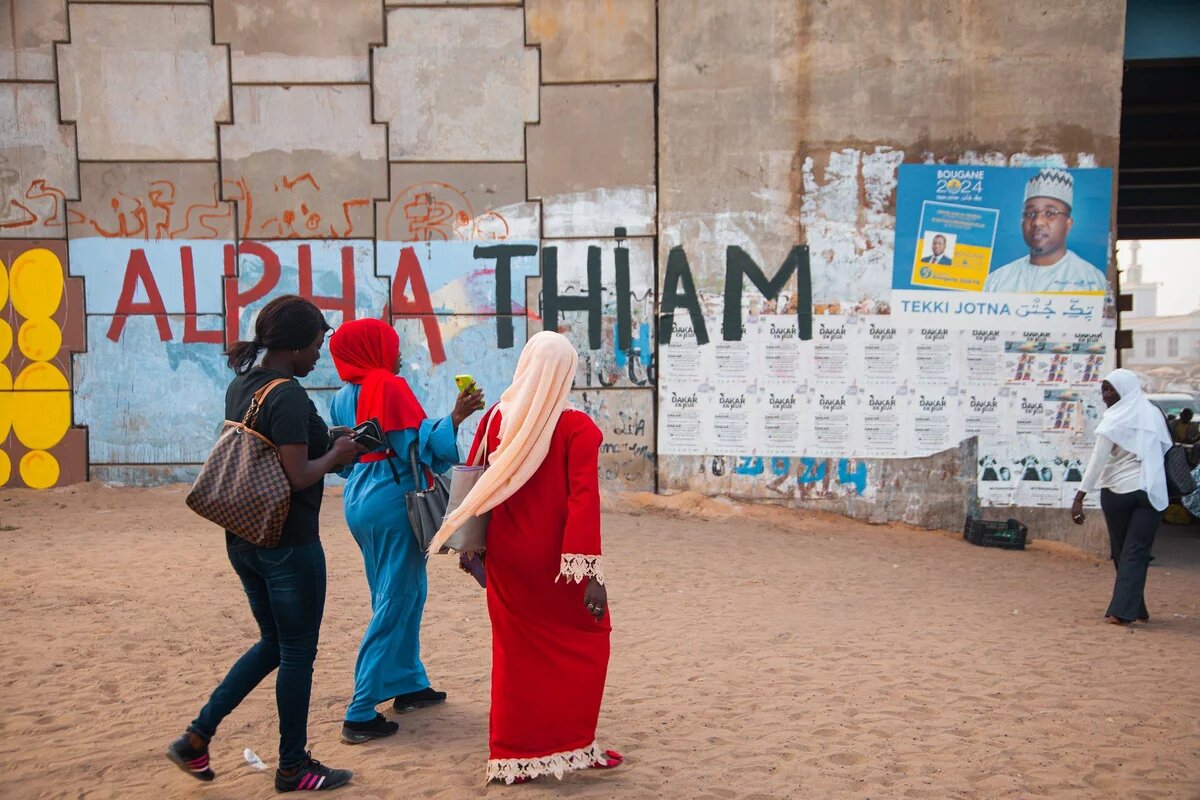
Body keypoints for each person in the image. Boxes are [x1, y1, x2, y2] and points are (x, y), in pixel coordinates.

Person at [166, 295, 365, 792]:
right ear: (296, 346)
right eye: (317, 345)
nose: (320, 355)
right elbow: (298, 476)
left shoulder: (245, 385)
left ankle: (196, 737)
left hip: (244, 538)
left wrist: (332, 445)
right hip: (289, 544)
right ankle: (294, 766)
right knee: (297, 652)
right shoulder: (290, 396)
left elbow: (276, 451)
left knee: (274, 643)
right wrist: (339, 452)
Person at [428, 331, 622, 785]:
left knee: (515, 655)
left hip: (508, 558)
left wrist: (472, 545)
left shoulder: (496, 417)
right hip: (557, 563)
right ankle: (572, 746)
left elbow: (476, 481)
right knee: (587, 644)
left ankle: (513, 753)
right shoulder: (578, 428)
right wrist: (589, 572)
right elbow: (582, 502)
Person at [327, 318, 484, 743]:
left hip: (361, 497)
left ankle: (409, 684)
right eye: (392, 347)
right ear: (374, 350)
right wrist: (455, 416)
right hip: (392, 499)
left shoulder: (344, 395)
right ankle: (360, 710)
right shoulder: (388, 386)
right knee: (398, 598)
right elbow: (413, 445)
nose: (398, 355)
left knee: (397, 591)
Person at [1070, 369, 1172, 625]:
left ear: (1124, 389)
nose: (1105, 395)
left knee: (1126, 551)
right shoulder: (1153, 415)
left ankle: (1122, 611)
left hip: (1120, 492)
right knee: (1132, 551)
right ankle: (1135, 606)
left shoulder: (1112, 421)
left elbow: (1097, 460)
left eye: (1110, 389)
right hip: (1150, 490)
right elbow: (1164, 448)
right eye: (1104, 389)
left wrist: (1080, 496)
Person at [984, 168, 1107, 294]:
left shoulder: (1091, 280)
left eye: (1050, 213)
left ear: (1068, 224)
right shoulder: (997, 281)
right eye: (1030, 214)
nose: (1037, 222)